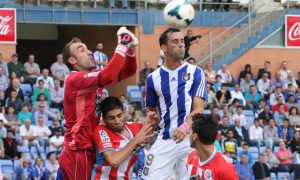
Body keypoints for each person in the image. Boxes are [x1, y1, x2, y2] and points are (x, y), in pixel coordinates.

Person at [58, 27, 138, 180]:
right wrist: (122, 44)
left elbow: (127, 72)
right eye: (82, 50)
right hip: (77, 150)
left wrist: (131, 50)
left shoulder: (92, 79)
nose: (89, 52)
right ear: (72, 60)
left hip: (87, 148)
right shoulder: (74, 79)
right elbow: (108, 76)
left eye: (88, 49)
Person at [143, 28, 207, 179]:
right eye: (175, 41)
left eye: (182, 41)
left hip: (190, 141)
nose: (181, 45)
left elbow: (199, 108)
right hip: (165, 140)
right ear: (164, 47)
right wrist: (153, 117)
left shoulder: (196, 72)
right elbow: (151, 109)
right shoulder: (153, 78)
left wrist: (185, 126)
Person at [92, 96, 152, 179]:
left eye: (119, 115)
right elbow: (113, 161)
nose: (117, 121)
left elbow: (149, 133)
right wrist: (135, 141)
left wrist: (153, 118)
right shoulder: (101, 131)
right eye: (111, 118)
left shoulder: (136, 127)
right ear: (105, 119)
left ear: (124, 112)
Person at [187, 114, 238, 179]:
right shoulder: (191, 156)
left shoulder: (225, 169)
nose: (188, 135)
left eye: (190, 132)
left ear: (195, 136)